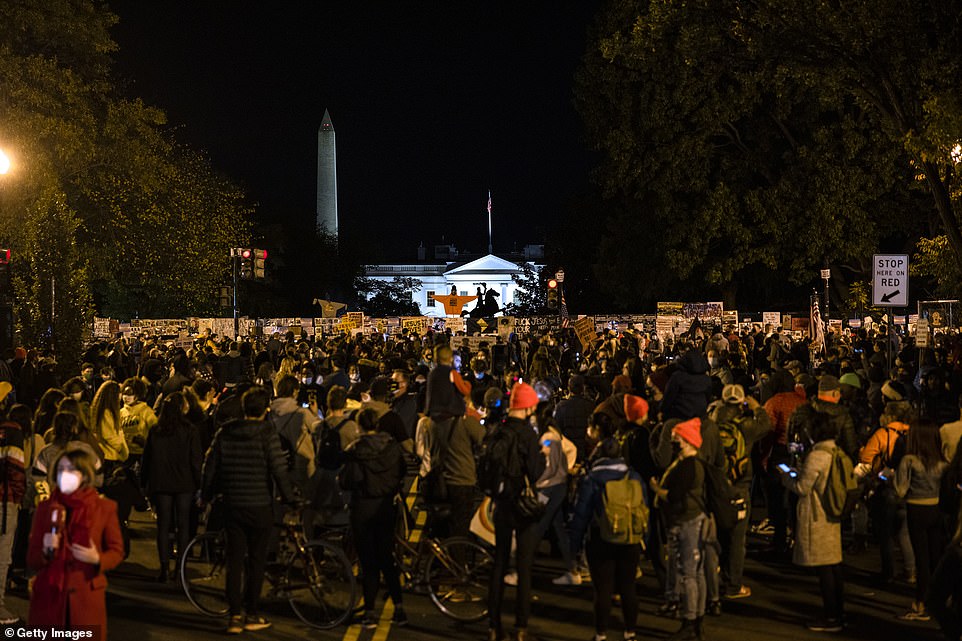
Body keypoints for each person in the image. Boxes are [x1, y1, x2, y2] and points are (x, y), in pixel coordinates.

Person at [200, 386, 296, 634]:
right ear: (264, 410)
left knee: (234, 560)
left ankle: (234, 615)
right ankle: (251, 612)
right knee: (256, 561)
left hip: (232, 503)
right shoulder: (267, 433)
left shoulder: (225, 433)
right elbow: (278, 469)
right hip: (259, 504)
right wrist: (290, 498)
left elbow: (209, 467)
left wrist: (206, 496)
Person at [27, 447, 124, 637]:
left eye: (71, 470)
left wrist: (97, 559)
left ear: (84, 474)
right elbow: (32, 559)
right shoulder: (46, 508)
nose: (65, 475)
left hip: (85, 599)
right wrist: (45, 549)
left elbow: (117, 551)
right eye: (60, 469)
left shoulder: (104, 508)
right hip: (49, 599)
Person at [568, 412, 642, 641]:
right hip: (629, 537)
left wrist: (574, 544)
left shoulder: (592, 479)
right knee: (628, 587)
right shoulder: (633, 476)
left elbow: (581, 514)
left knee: (603, 589)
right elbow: (643, 508)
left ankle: (601, 634)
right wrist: (644, 538)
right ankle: (630, 633)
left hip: (601, 537)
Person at [338, 408, 408, 629]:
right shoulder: (391, 447)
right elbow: (403, 470)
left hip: (363, 507)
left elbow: (347, 480)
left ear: (359, 426)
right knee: (386, 557)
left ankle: (370, 611)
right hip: (386, 506)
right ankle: (399, 608)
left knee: (368, 562)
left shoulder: (355, 450)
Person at [487, 382, 546, 641]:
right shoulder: (528, 434)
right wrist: (542, 455)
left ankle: (493, 625)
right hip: (522, 504)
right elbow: (536, 472)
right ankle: (521, 626)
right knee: (524, 566)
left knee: (499, 563)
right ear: (528, 407)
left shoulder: (498, 430)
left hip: (502, 502)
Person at [780, 411, 844, 633]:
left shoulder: (818, 455)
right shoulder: (835, 451)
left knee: (824, 568)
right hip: (832, 512)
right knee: (834, 565)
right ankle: (838, 613)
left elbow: (802, 487)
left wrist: (787, 477)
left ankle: (831, 617)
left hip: (818, 515)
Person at [651, 418, 708, 641]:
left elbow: (675, 496)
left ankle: (690, 621)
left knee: (689, 574)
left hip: (686, 521)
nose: (673, 443)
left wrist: (656, 489)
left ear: (686, 441)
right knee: (696, 573)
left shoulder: (687, 466)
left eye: (676, 439)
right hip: (690, 520)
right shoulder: (692, 463)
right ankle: (697, 620)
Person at [891, 419, 949, 621]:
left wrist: (889, 478)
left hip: (916, 509)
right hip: (937, 508)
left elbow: (900, 490)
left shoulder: (909, 460)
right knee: (936, 556)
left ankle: (921, 603)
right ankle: (938, 601)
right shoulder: (943, 462)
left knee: (921, 558)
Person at [141, 391, 202, 582]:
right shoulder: (190, 430)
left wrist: (144, 483)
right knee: (183, 525)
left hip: (161, 482)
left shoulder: (156, 430)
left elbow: (147, 459)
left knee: (163, 525)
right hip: (184, 482)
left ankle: (164, 568)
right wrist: (200, 484)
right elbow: (195, 460)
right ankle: (180, 569)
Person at [89, 380, 130, 478]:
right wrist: (121, 448)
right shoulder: (106, 413)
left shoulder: (100, 411)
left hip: (105, 455)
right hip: (109, 456)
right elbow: (110, 436)